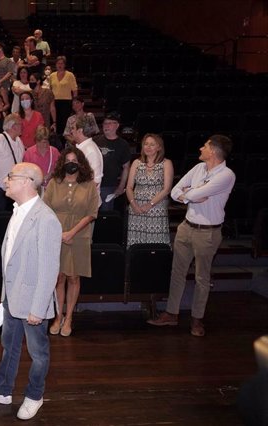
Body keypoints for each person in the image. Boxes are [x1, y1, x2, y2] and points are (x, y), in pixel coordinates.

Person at [0, 162, 62, 421]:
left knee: (38, 353)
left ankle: (35, 395)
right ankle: (2, 390)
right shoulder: (18, 211)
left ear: (27, 182)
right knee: (8, 346)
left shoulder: (46, 219)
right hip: (13, 296)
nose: (5, 180)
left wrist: (38, 308)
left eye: (11, 176)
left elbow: (49, 269)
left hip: (33, 301)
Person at [147, 135, 235, 337]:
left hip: (208, 232)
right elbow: (175, 191)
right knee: (177, 272)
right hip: (186, 227)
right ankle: (172, 313)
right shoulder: (198, 169)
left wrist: (189, 193)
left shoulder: (227, 175)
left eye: (205, 146)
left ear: (213, 151)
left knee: (202, 277)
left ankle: (197, 319)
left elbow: (191, 195)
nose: (200, 148)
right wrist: (190, 193)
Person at [43, 147, 99, 338]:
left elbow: (92, 213)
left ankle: (69, 318)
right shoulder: (53, 183)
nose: (71, 163)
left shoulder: (89, 185)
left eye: (74, 160)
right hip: (55, 235)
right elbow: (45, 210)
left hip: (79, 235)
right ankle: (58, 317)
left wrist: (72, 232)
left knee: (74, 277)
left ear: (81, 163)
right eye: (67, 160)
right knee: (58, 277)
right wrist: (59, 233)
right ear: (62, 163)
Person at [126, 133, 173, 248]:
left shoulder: (166, 163)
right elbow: (129, 187)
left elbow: (166, 189)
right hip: (136, 208)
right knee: (136, 243)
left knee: (156, 243)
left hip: (157, 208)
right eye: (146, 144)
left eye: (152, 144)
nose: (148, 147)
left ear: (159, 147)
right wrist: (133, 204)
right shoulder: (136, 163)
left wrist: (150, 204)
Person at [0, 113, 26, 214]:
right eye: (20, 124)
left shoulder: (19, 141)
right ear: (13, 126)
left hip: (11, 188)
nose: (22, 127)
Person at [94, 112, 132, 210]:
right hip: (94, 184)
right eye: (105, 123)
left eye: (110, 123)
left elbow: (126, 167)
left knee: (105, 213)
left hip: (109, 185)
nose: (106, 126)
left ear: (117, 125)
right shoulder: (95, 141)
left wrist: (121, 186)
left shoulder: (123, 144)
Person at [71, 115, 103, 189]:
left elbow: (96, 182)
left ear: (80, 130)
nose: (71, 131)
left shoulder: (91, 150)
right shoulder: (81, 148)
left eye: (73, 128)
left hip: (87, 199)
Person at [49, 56, 78, 134]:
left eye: (62, 63)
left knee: (64, 124)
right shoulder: (52, 75)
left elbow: (75, 91)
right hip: (54, 102)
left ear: (65, 65)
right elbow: (50, 90)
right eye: (58, 63)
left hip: (66, 103)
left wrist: (74, 103)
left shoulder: (70, 75)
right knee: (55, 123)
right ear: (55, 64)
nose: (60, 65)